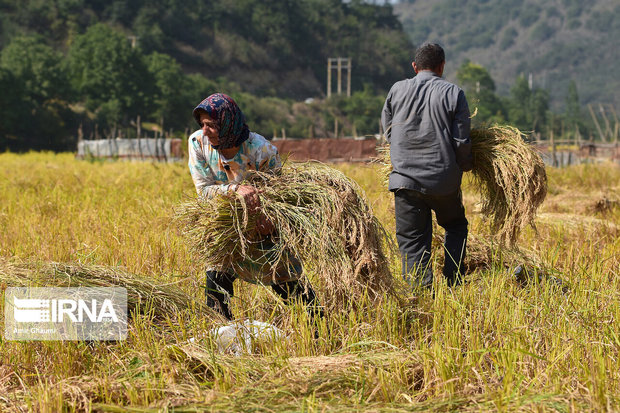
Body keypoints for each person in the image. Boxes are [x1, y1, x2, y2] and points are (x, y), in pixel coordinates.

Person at [188, 93, 321, 319]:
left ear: (227, 124)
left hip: (262, 226)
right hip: (226, 227)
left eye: (211, 125)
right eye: (202, 124)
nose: (205, 131)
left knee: (287, 281)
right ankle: (222, 339)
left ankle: (319, 328)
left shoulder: (261, 150)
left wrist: (267, 220)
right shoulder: (198, 143)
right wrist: (234, 190)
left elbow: (278, 196)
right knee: (216, 283)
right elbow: (203, 192)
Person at [381, 43, 473, 289]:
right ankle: (453, 281)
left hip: (404, 181)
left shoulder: (396, 90)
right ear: (442, 66)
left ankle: (420, 295)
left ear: (414, 66)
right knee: (455, 225)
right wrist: (465, 165)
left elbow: (389, 133)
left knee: (412, 241)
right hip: (442, 181)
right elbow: (462, 141)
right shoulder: (454, 93)